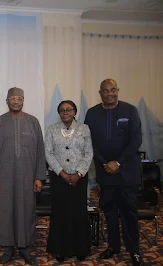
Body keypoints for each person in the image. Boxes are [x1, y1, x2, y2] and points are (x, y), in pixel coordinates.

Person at [85, 79, 144, 266]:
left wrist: (118, 162)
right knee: (109, 210)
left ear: (118, 90)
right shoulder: (92, 113)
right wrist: (105, 163)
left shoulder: (130, 110)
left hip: (127, 171)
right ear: (100, 92)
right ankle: (113, 246)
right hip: (105, 172)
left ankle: (133, 249)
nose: (109, 94)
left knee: (129, 212)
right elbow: (89, 141)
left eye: (113, 90)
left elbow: (136, 140)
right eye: (105, 91)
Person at [0, 87, 46, 265]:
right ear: (7, 100)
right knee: (6, 211)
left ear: (23, 100)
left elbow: (40, 151)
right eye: (12, 98)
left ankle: (25, 247)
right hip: (4, 177)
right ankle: (7, 247)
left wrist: (38, 177)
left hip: (28, 176)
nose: (15, 101)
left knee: (26, 210)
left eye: (18, 98)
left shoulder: (33, 122)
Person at [45, 100, 93, 263]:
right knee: (60, 213)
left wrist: (78, 173)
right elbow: (49, 153)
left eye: (68, 110)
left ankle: (81, 248)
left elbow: (88, 153)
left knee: (79, 213)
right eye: (62, 110)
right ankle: (60, 249)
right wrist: (63, 174)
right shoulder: (51, 129)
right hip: (59, 178)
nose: (65, 113)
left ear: (74, 112)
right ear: (59, 113)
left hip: (79, 178)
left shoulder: (84, 129)